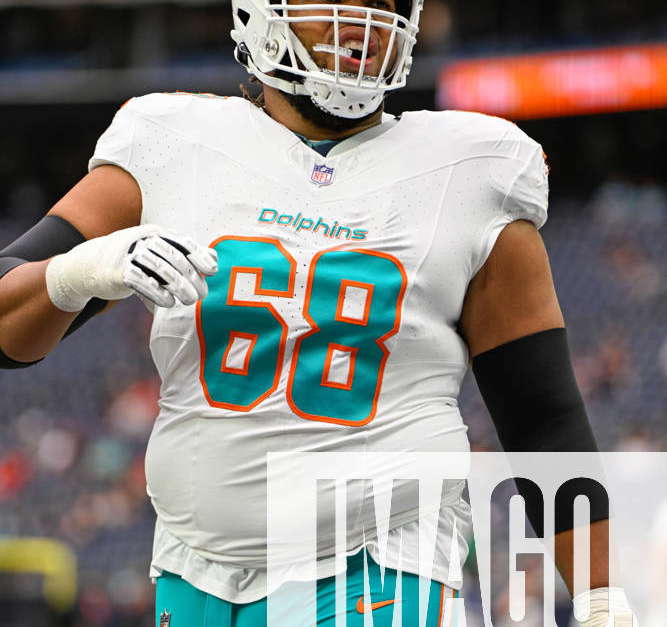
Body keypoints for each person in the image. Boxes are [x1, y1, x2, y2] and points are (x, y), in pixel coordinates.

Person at [0, 0, 638, 625]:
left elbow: (542, 418)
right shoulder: (171, 142)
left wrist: (600, 596)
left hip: (377, 559)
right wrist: (79, 270)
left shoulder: (472, 170)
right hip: (193, 567)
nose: (360, 19)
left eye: (379, 2)